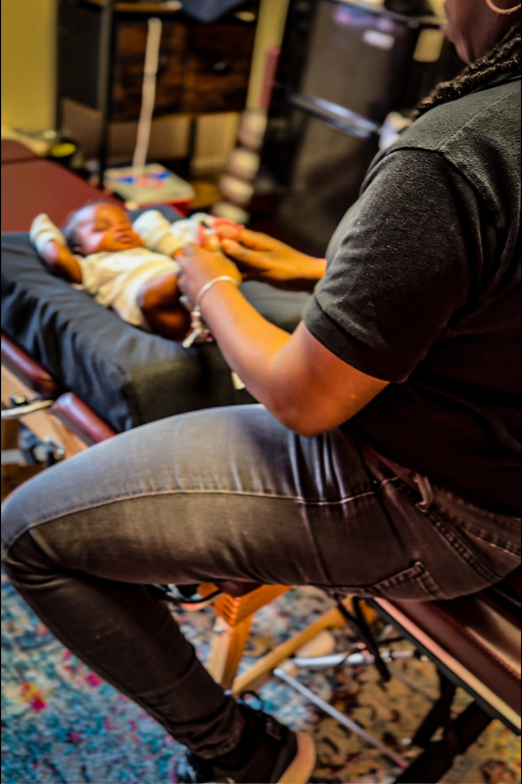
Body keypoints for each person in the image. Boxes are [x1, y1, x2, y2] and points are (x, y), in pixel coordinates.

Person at [2, 2, 520, 782]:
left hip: (433, 503)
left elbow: (304, 402)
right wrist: (323, 272)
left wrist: (210, 286)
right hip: (498, 463)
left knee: (26, 535)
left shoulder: (456, 148)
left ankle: (242, 754)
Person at [30, 203, 243, 341]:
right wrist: (43, 230)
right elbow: (58, 257)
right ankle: (206, 271)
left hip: (200, 297)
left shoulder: (149, 249)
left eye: (125, 225)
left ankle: (210, 272)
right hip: (164, 313)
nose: (119, 229)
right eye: (101, 229)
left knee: (195, 263)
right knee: (151, 297)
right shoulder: (92, 266)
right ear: (80, 250)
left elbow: (157, 227)